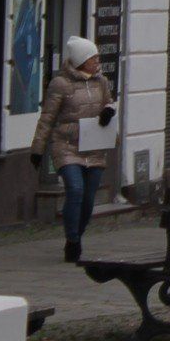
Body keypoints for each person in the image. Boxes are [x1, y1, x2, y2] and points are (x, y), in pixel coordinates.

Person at [30, 36, 114, 262]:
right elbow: (48, 117)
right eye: (93, 57)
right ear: (81, 60)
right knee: (75, 190)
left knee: (88, 199)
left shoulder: (101, 82)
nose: (97, 61)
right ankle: (73, 240)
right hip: (66, 146)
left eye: (97, 57)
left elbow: (109, 102)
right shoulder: (60, 84)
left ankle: (79, 233)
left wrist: (108, 111)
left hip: (93, 147)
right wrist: (38, 148)